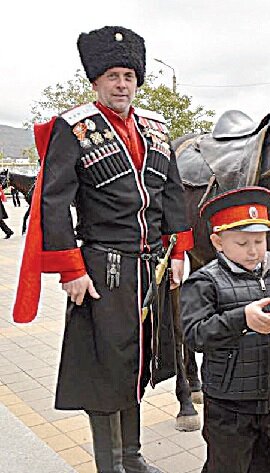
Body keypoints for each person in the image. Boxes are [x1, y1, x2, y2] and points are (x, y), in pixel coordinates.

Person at [12, 26, 193, 473]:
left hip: (149, 269)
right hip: (101, 268)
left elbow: (172, 193)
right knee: (103, 371)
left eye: (129, 76)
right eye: (112, 76)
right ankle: (109, 465)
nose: (122, 84)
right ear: (95, 81)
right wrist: (71, 269)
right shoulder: (73, 128)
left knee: (134, 365)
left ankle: (132, 457)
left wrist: (179, 250)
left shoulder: (156, 126)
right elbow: (52, 201)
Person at [180, 186, 270, 473]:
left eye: (259, 240)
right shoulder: (205, 282)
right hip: (229, 407)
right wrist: (242, 319)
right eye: (242, 243)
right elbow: (195, 334)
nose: (253, 251)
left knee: (268, 464)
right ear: (218, 241)